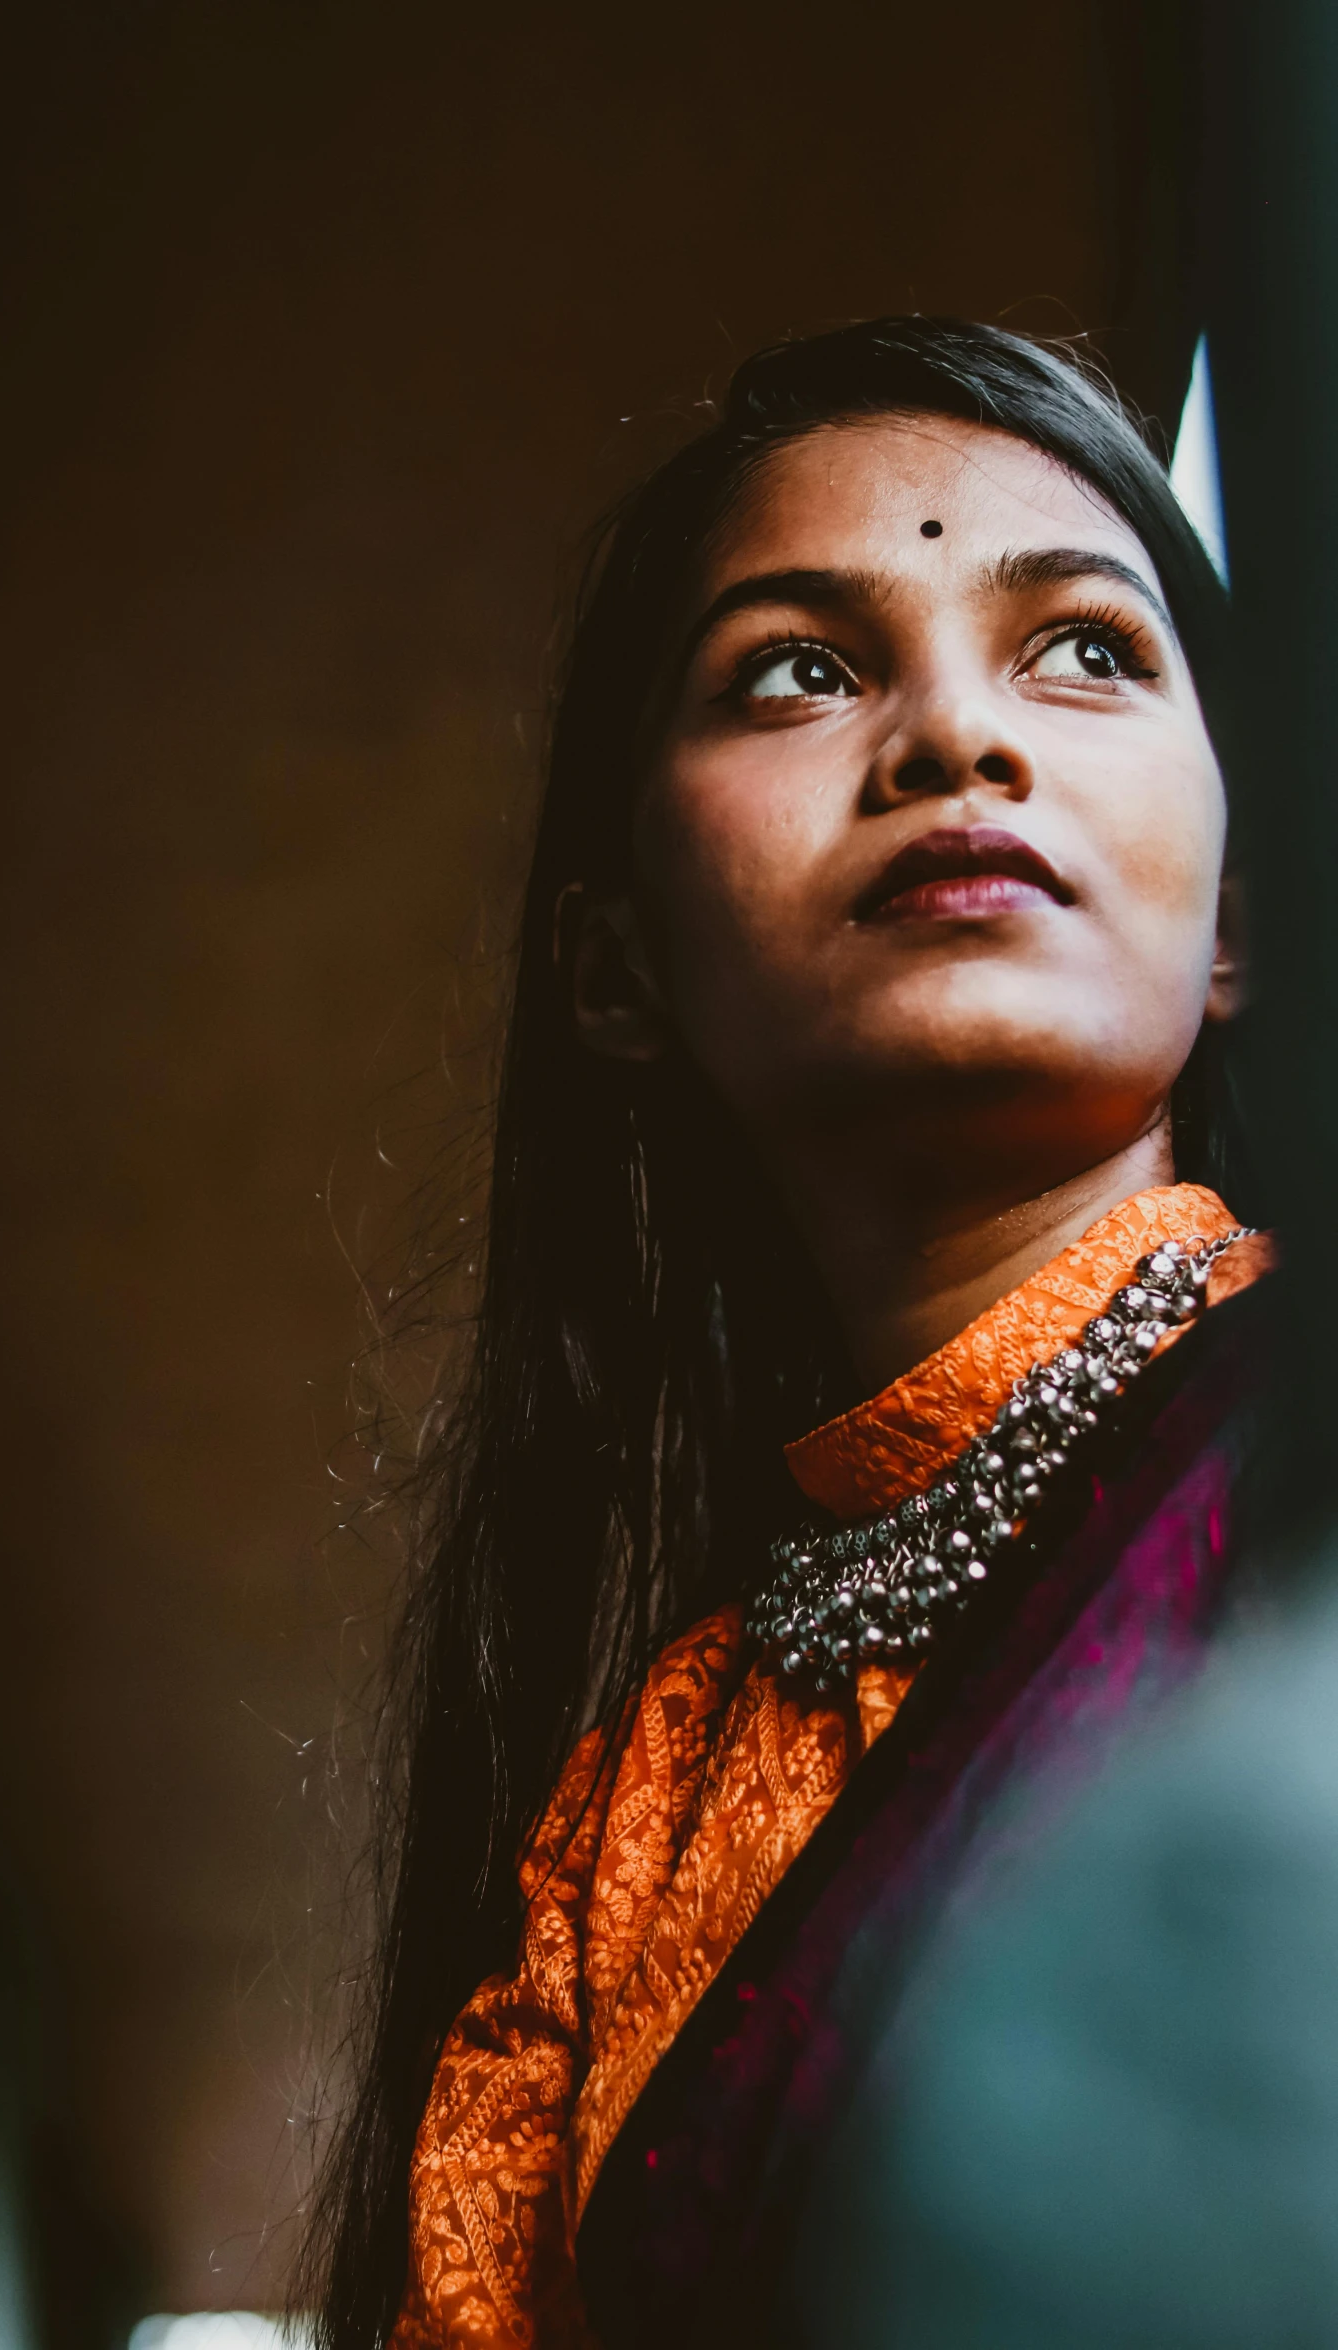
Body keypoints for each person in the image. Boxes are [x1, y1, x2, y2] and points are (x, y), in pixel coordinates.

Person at [303, 317, 1275, 2350]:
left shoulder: (1306, 1482)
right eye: (802, 669)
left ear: (1248, 910)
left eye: (1086, 647)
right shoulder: (632, 1813)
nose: (954, 741)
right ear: (614, 966)